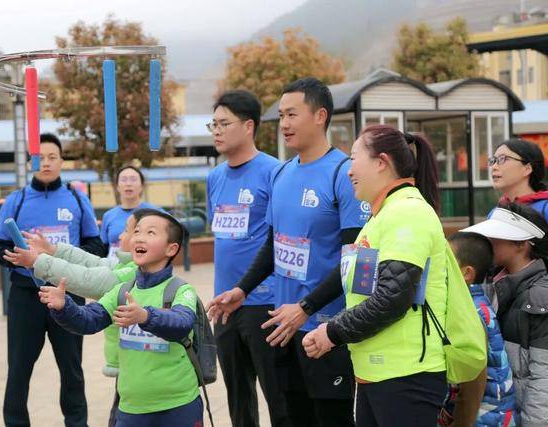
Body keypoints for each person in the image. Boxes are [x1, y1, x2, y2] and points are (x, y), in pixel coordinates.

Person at [208, 77, 366, 426]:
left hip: (324, 330)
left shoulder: (343, 174)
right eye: (281, 116)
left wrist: (306, 307)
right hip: (283, 326)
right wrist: (242, 290)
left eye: (292, 114)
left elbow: (355, 262)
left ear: (320, 116)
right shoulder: (282, 174)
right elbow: (273, 246)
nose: (284, 124)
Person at [300, 125, 449, 426]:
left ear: (381, 162)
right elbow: (365, 293)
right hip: (376, 374)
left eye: (354, 158)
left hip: (405, 376)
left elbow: (392, 299)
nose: (348, 171)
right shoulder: (380, 216)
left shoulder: (406, 212)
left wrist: (332, 332)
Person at [39, 210, 203, 426]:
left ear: (171, 249)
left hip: (179, 405)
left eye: (151, 233)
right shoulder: (122, 290)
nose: (140, 238)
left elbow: (181, 322)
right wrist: (64, 306)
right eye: (137, 231)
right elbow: (89, 320)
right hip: (130, 408)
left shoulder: (181, 290)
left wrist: (145, 316)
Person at [0, 133, 105, 427]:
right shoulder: (15, 201)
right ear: (31, 162)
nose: (46, 163)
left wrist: (60, 257)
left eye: (52, 157)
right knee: (18, 368)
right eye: (40, 157)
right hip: (25, 296)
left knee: (71, 369)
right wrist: (13, 257)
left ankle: (76, 423)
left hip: (68, 294)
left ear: (62, 161)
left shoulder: (77, 199)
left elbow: (96, 246)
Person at [206, 90, 290, 427]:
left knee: (279, 397)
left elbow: (281, 235)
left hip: (264, 303)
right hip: (224, 305)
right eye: (213, 124)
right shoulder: (214, 177)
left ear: (249, 126)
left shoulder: (275, 172)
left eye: (224, 123)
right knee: (238, 400)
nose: (216, 131)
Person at [460, 203, 548, 426]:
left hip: (521, 413)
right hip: (493, 412)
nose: (487, 242)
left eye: (496, 237)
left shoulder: (540, 295)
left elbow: (543, 375)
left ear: (522, 244)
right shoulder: (489, 280)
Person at [438, 232, 517, 427]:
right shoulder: (473, 304)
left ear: (466, 274)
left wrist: (460, 422)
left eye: (446, 262)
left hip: (485, 418)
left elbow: (473, 382)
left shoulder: (469, 313)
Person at [101, 165, 159, 260]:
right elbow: (103, 247)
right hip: (114, 266)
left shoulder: (155, 213)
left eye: (133, 179)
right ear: (117, 186)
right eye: (123, 180)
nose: (128, 184)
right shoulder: (108, 216)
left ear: (142, 186)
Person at [490, 138, 548, 219]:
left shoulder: (545, 209)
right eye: (493, 161)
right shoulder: (495, 214)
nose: (494, 167)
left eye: (502, 159)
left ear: (527, 169)